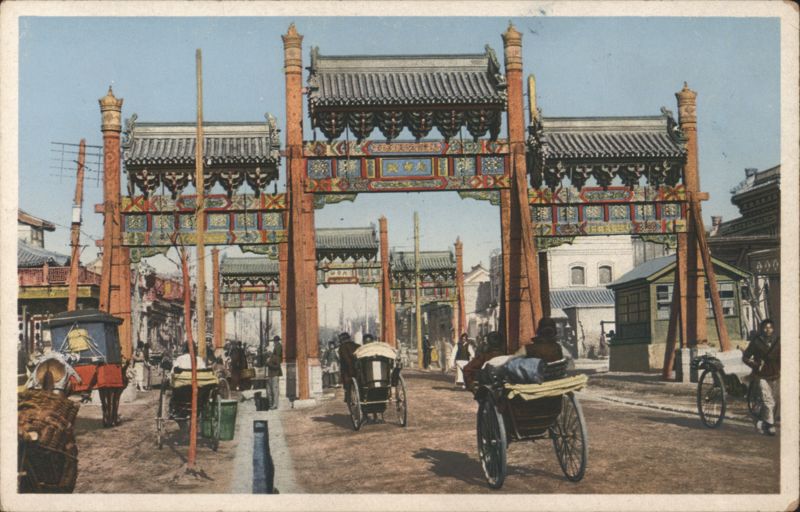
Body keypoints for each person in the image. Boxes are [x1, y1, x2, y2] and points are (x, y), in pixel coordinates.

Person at [743, 319, 780, 436]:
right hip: (761, 375)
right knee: (768, 400)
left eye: (770, 327)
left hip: (775, 374)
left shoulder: (778, 341)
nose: (767, 330)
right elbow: (746, 357)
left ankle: (763, 420)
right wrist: (755, 365)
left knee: (776, 400)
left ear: (773, 329)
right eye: (765, 327)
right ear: (761, 329)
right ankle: (770, 425)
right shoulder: (756, 342)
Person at [337, 332, 359, 402]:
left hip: (348, 371)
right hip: (359, 369)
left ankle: (348, 396)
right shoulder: (357, 345)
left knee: (347, 385)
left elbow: (345, 360)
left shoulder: (342, 347)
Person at [266, 336, 283, 411]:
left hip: (274, 374)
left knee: (274, 390)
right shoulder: (270, 357)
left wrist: (268, 364)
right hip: (270, 375)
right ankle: (271, 404)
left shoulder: (276, 356)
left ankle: (275, 405)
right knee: (270, 391)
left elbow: (277, 366)